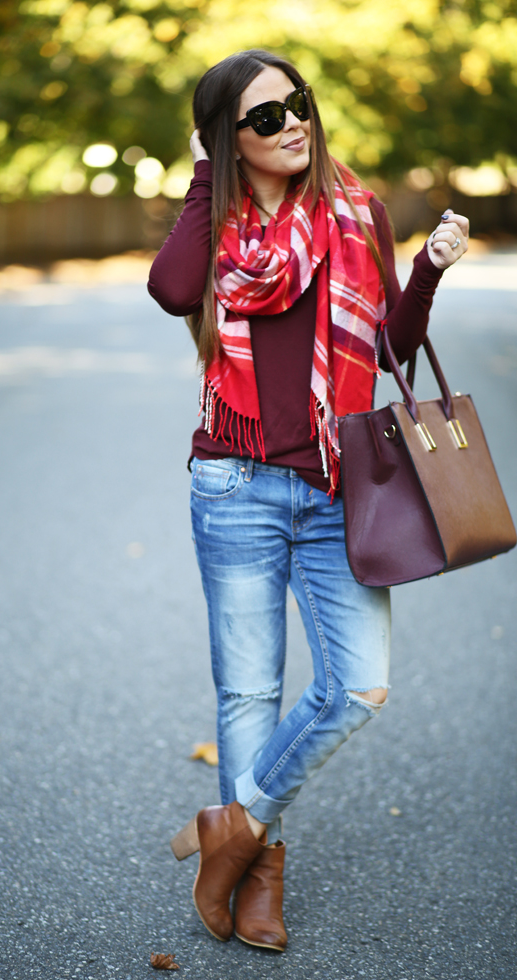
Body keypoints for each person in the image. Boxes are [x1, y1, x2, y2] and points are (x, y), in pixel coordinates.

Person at [148, 48, 469, 952]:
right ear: (227, 142)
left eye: (296, 104)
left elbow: (393, 350)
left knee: (360, 686)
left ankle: (233, 826)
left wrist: (432, 272)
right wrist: (206, 177)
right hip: (235, 481)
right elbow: (173, 289)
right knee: (249, 692)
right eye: (262, 117)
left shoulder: (358, 213)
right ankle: (261, 877)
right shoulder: (217, 227)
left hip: (338, 487)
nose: (292, 121)